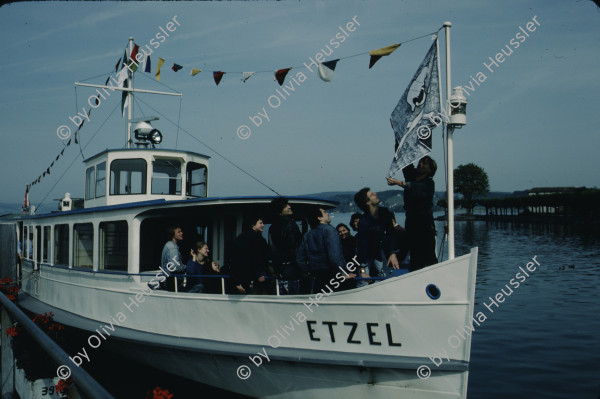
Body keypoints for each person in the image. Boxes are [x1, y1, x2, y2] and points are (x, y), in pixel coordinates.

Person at [386, 155, 438, 271]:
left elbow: (416, 188)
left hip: (424, 221)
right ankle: (415, 273)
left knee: (428, 253)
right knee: (415, 253)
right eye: (420, 162)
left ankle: (435, 275)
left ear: (430, 169)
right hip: (411, 220)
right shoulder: (412, 176)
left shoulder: (429, 183)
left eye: (424, 163)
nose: (420, 164)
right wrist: (399, 144)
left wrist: (399, 182)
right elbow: (405, 163)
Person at [297, 208, 356, 293]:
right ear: (319, 218)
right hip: (332, 274)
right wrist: (343, 273)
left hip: (316, 275)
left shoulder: (307, 235)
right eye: (324, 212)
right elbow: (335, 255)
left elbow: (300, 258)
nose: (327, 213)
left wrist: (307, 273)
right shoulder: (330, 230)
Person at [353, 188, 399, 287]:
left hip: (380, 252)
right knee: (363, 280)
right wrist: (362, 270)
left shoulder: (384, 212)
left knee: (387, 278)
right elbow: (362, 248)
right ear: (368, 202)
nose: (375, 193)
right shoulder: (364, 222)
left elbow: (391, 233)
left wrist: (393, 253)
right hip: (365, 256)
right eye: (372, 194)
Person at [268, 197, 302, 295]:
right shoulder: (290, 224)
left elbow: (272, 248)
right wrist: (303, 267)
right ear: (279, 209)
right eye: (286, 206)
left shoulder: (271, 227)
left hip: (279, 268)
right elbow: (295, 248)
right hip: (292, 267)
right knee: (295, 297)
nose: (289, 207)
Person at [230, 216, 269, 295]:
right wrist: (260, 273)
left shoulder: (240, 237)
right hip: (254, 277)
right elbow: (258, 257)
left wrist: (236, 281)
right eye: (260, 223)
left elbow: (235, 258)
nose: (263, 225)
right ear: (253, 225)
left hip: (241, 277)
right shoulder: (258, 239)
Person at [161, 225, 186, 291]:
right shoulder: (172, 248)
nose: (182, 233)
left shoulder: (171, 245)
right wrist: (186, 267)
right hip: (172, 282)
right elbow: (174, 267)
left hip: (171, 280)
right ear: (172, 234)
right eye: (179, 232)